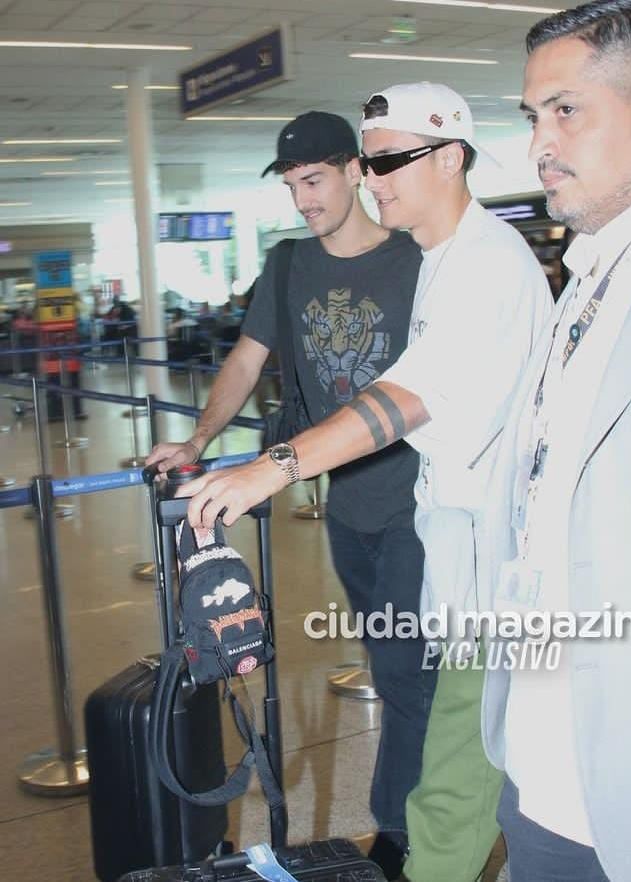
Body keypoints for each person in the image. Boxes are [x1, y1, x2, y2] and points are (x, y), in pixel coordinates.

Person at [174, 84, 552, 882]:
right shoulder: (445, 260)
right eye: (372, 163)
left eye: (386, 163)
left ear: (450, 158)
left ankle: (417, 849)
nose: (375, 182)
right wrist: (209, 443)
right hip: (444, 535)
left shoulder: (479, 263)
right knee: (446, 722)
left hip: (490, 559)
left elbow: (407, 397)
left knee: (452, 754)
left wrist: (269, 469)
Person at [146, 110, 431, 879]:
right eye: (292, 185)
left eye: (314, 181)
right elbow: (246, 359)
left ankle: (402, 833)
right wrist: (198, 441)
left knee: (406, 668)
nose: (303, 200)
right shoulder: (288, 266)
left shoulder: (419, 260)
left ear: (354, 173)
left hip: (421, 497)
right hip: (347, 503)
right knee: (387, 655)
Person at [474, 2, 631, 880]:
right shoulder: (584, 272)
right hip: (542, 762)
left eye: (566, 110)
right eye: (533, 116)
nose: (539, 142)